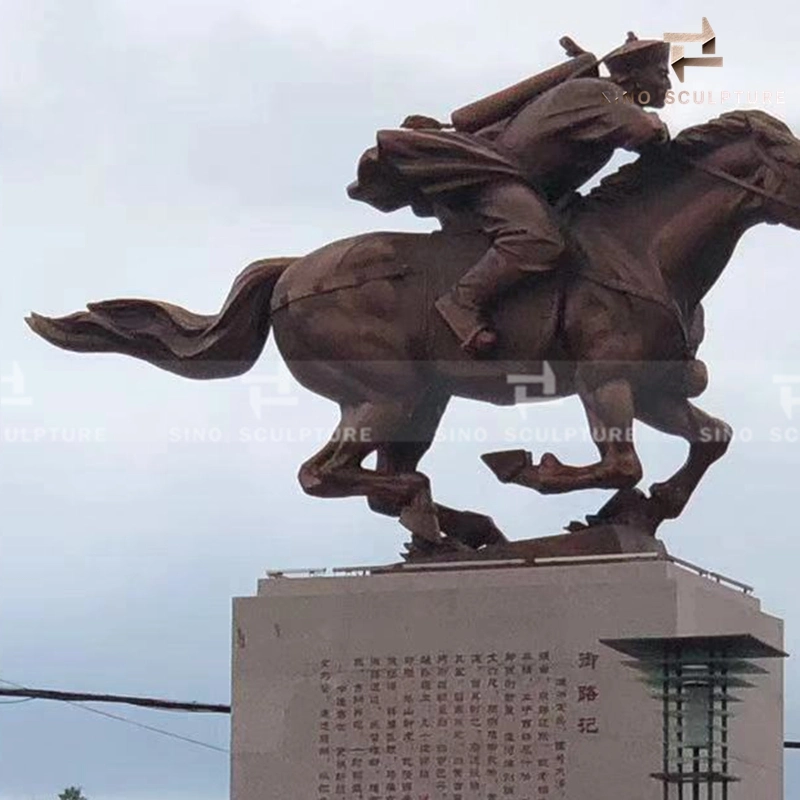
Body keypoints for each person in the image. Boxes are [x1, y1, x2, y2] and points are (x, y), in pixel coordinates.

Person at [348, 33, 673, 354]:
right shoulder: (605, 96)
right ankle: (461, 302)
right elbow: (645, 134)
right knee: (538, 240)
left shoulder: (602, 96)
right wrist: (657, 121)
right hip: (495, 180)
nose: (669, 85)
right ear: (630, 75)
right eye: (660, 73)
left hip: (525, 187)